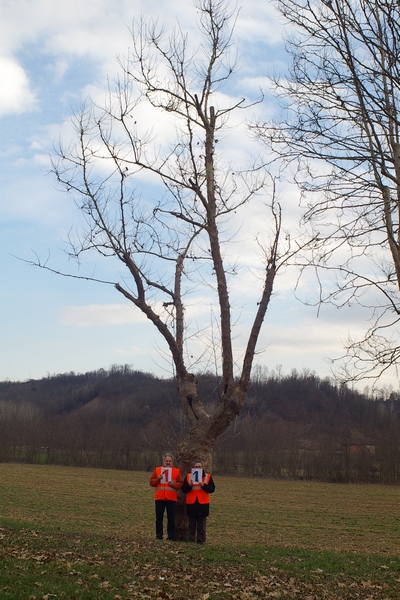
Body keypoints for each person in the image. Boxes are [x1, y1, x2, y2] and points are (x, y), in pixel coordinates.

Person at [149, 452, 183, 541]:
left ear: (172, 462)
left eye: (170, 461)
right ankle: (159, 536)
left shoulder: (176, 471)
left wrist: (173, 484)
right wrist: (158, 479)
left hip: (171, 498)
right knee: (159, 519)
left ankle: (171, 537)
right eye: (166, 461)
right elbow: (151, 483)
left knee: (171, 520)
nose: (168, 462)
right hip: (160, 498)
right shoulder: (157, 470)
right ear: (163, 461)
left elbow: (180, 485)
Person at [182, 459, 215, 544]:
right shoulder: (189, 476)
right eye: (196, 467)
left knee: (201, 526)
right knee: (191, 525)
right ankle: (191, 541)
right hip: (191, 503)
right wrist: (189, 485)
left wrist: (203, 485)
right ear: (193, 467)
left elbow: (212, 489)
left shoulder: (207, 477)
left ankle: (201, 542)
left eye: (199, 467)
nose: (198, 468)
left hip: (203, 504)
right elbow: (184, 489)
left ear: (202, 467)